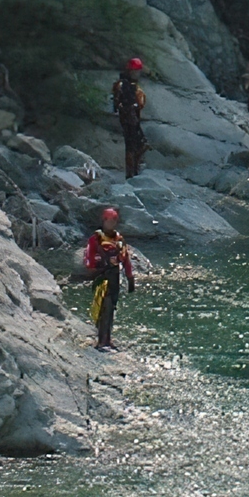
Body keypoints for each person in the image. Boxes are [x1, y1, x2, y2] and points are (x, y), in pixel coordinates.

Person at [84, 208, 134, 351]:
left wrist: (130, 278)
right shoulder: (96, 239)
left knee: (111, 307)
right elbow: (89, 256)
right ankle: (101, 341)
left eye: (113, 221)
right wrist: (92, 267)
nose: (110, 224)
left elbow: (125, 258)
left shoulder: (119, 240)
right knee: (103, 307)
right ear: (104, 221)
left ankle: (108, 339)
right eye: (108, 221)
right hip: (101, 276)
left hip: (114, 276)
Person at [113, 57, 148, 180]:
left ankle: (133, 170)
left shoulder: (124, 84)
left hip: (130, 117)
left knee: (136, 144)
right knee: (135, 144)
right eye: (136, 71)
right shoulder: (125, 85)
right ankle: (132, 172)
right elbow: (130, 103)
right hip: (129, 118)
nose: (137, 74)